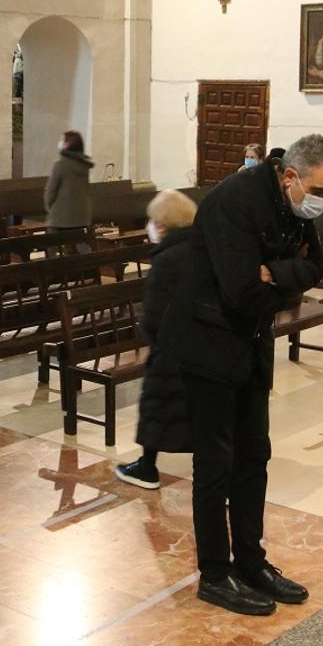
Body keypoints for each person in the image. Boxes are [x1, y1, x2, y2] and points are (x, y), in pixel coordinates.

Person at [156, 135, 323, 616]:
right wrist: (285, 281)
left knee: (254, 456)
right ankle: (215, 575)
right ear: (290, 177)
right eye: (319, 190)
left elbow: (317, 267)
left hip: (251, 343)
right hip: (207, 345)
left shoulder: (294, 208)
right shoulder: (234, 201)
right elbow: (240, 290)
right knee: (215, 465)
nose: (322, 201)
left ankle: (251, 562)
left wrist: (273, 275)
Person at [114, 189, 198, 490]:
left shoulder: (166, 258)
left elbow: (155, 312)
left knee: (157, 406)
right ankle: (211, 471)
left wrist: (149, 334)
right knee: (200, 411)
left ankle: (146, 467)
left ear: (162, 223)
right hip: (201, 345)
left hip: (171, 348)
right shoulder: (201, 248)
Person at [44, 130, 93, 230]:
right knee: (77, 242)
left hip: (61, 217)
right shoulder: (84, 165)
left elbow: (51, 191)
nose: (60, 143)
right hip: (81, 216)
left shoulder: (60, 164)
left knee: (51, 243)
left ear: (67, 144)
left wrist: (50, 208)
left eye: (62, 140)